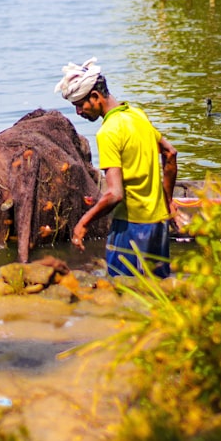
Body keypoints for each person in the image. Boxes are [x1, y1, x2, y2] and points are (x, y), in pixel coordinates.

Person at [55, 57, 177, 278]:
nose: (79, 112)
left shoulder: (108, 131)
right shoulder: (137, 115)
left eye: (80, 105)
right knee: (158, 295)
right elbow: (170, 153)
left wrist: (83, 223)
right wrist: (167, 202)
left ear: (95, 97)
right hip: (158, 225)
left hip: (131, 227)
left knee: (123, 293)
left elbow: (115, 194)